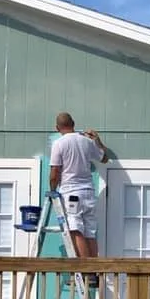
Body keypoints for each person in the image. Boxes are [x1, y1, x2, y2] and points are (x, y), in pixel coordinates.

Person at [48, 112, 109, 286]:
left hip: (71, 193)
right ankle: (95, 272)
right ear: (73, 123)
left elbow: (55, 172)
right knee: (90, 231)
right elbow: (104, 158)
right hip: (89, 192)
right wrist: (98, 140)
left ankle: (86, 272)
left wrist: (52, 190)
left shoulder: (59, 143)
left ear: (57, 128)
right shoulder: (86, 141)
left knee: (76, 230)